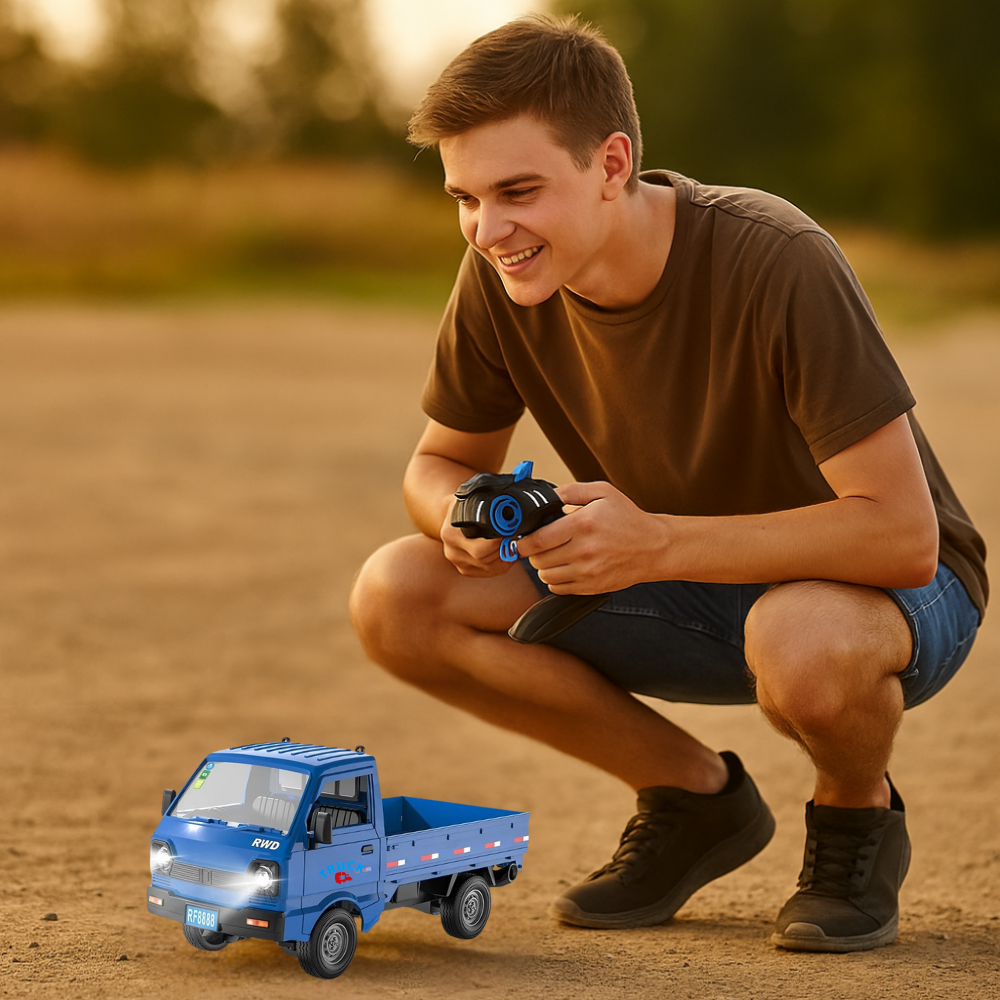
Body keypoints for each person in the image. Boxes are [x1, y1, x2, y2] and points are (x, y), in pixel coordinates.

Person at [349, 13, 987, 953]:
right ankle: (695, 801)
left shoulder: (774, 256)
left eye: (518, 190)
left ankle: (856, 817)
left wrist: (657, 542)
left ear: (611, 164)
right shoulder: (502, 272)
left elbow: (901, 534)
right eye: (465, 198)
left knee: (800, 635)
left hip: (880, 592)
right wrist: (464, 516)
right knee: (398, 594)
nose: (489, 229)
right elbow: (438, 462)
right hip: (676, 579)